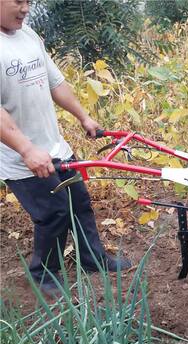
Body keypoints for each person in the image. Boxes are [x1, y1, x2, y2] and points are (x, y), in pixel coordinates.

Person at [0, 0, 131, 296]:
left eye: (29, 2)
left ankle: (92, 258)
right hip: (22, 159)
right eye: (18, 1)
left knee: (79, 203)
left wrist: (83, 116)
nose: (25, 9)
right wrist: (26, 150)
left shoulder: (28, 35)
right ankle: (43, 273)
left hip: (55, 147)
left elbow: (55, 82)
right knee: (54, 214)